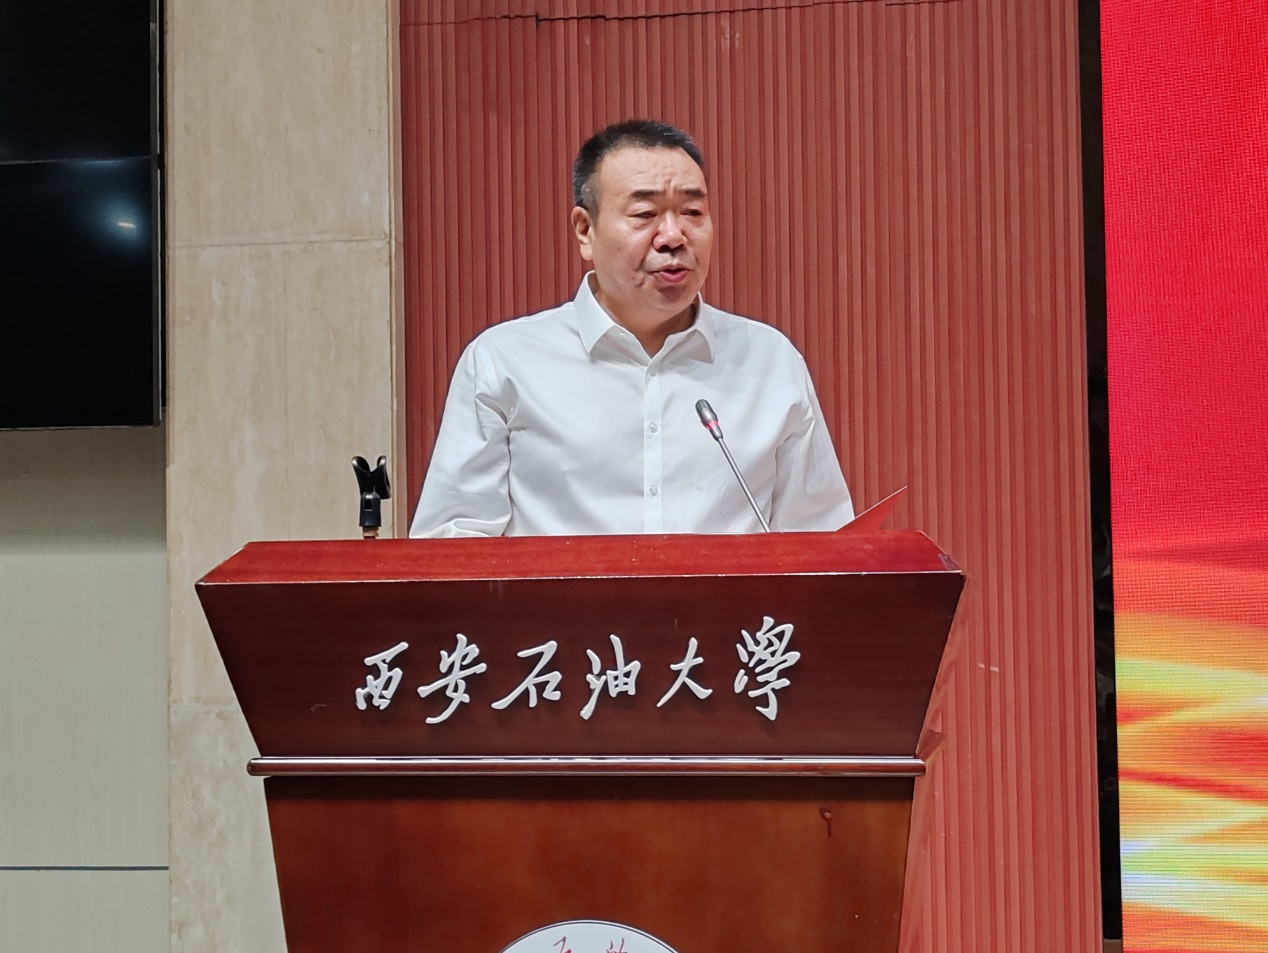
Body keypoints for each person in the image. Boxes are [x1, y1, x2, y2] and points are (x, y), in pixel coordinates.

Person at [410, 119, 852, 537]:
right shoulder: (504, 362)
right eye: (644, 214)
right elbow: (453, 542)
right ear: (585, 231)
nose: (673, 236)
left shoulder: (770, 361)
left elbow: (821, 540)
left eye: (693, 211)